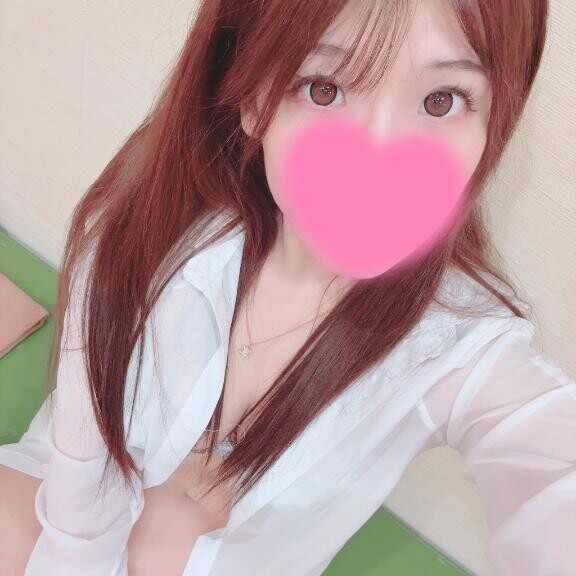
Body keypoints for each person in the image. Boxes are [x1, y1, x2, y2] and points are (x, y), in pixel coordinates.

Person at [0, 0, 574, 574]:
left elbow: (550, 466)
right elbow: (79, 488)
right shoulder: (149, 222)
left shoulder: (458, 348)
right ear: (254, 97)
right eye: (324, 89)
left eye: (440, 101)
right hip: (57, 497)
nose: (376, 159)